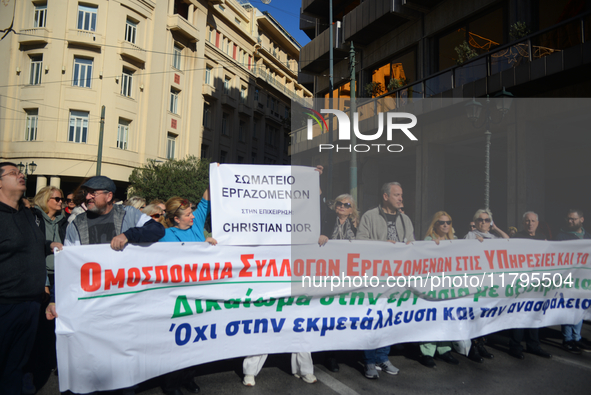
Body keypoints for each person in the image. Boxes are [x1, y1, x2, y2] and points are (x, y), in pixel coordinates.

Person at [159, 190, 215, 395]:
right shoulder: (166, 235)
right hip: (178, 295)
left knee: (196, 339)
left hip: (199, 292)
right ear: (176, 218)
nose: (193, 216)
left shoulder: (196, 224)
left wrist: (216, 172)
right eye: (188, 214)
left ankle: (188, 377)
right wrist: (202, 245)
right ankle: (171, 383)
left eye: (192, 212)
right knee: (178, 341)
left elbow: (205, 201)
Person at [356, 182, 413, 379]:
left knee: (387, 319)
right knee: (371, 319)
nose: (401, 198)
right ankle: (369, 360)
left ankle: (382, 356)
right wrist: (382, 245)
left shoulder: (405, 219)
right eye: (397, 195)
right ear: (385, 196)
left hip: (396, 279)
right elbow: (360, 242)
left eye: (401, 195)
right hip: (373, 278)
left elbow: (411, 245)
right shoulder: (370, 216)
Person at [0, 162, 47, 394]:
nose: (21, 175)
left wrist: (51, 245)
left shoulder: (28, 213)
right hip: (5, 305)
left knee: (18, 365)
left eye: (21, 172)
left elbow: (32, 245)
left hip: (31, 304)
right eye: (13, 173)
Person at [463, 208, 507, 362]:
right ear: (475, 222)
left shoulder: (493, 237)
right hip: (474, 283)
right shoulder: (470, 236)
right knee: (474, 315)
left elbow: (508, 242)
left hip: (489, 283)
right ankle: (472, 347)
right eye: (480, 220)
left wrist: (496, 228)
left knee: (485, 315)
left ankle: (481, 344)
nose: (483, 222)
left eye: (487, 220)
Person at [507, 211, 552, 360]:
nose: (530, 223)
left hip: (537, 283)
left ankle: (534, 346)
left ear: (537, 223)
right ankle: (515, 346)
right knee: (519, 315)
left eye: (533, 221)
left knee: (534, 315)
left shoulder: (542, 238)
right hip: (520, 283)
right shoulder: (517, 238)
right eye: (527, 221)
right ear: (523, 223)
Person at [419, 211, 459, 368]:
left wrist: (478, 242)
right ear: (435, 224)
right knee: (431, 318)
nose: (445, 225)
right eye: (442, 222)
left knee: (446, 317)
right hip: (432, 286)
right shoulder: (428, 241)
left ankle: (444, 349)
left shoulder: (454, 241)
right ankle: (427, 352)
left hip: (449, 286)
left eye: (448, 222)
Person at [555, 209, 591, 353]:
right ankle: (568, 339)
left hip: (583, 280)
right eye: (568, 219)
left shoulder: (587, 236)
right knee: (569, 308)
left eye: (573, 219)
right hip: (568, 279)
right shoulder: (561, 236)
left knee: (580, 308)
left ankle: (577, 338)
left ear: (581, 219)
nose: (570, 221)